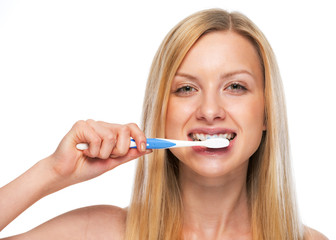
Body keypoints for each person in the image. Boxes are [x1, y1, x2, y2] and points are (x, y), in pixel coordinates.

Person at [0, 8, 328, 240]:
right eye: (186, 88)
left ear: (268, 112)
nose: (210, 110)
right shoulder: (98, 232)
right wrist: (51, 173)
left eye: (235, 87)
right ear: (160, 111)